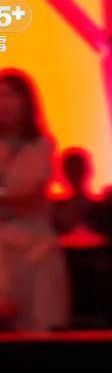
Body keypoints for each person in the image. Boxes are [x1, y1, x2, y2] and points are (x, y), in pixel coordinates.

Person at [0, 69, 70, 331]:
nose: (4, 104)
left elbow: (29, 192)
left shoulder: (43, 145)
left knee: (39, 327)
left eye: (11, 96)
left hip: (37, 248)